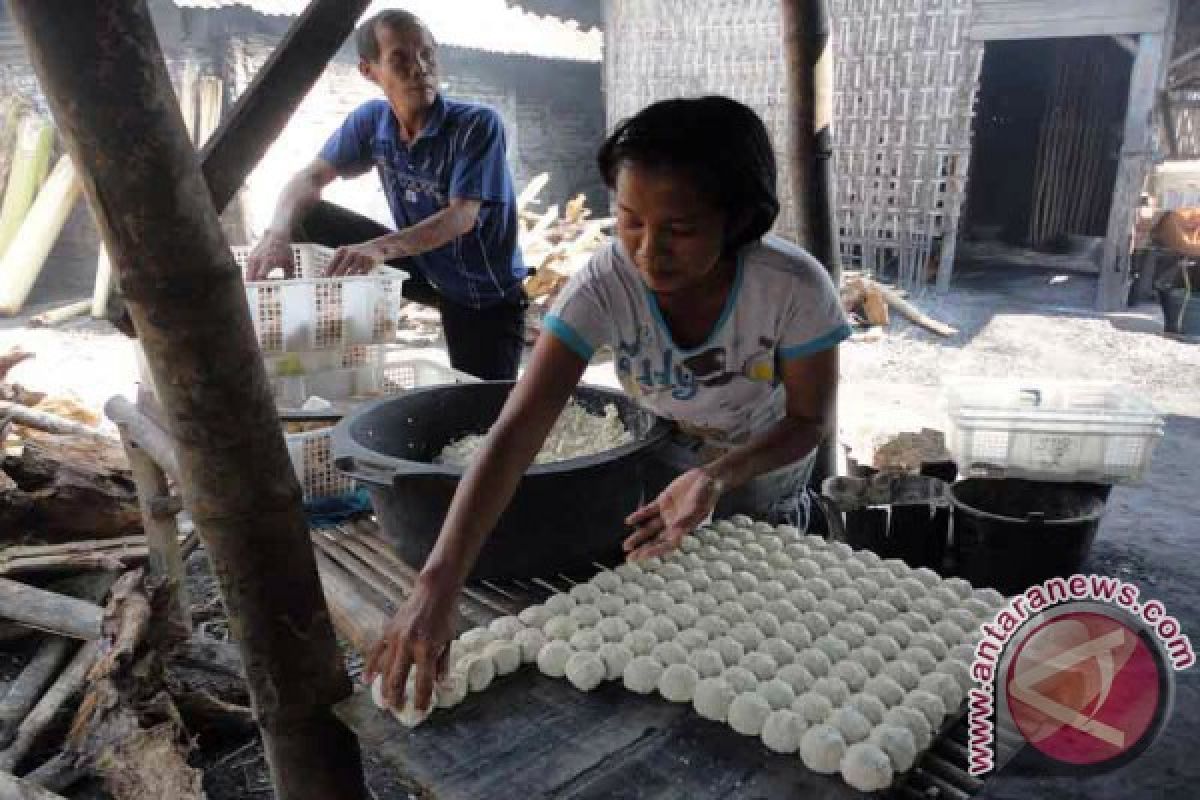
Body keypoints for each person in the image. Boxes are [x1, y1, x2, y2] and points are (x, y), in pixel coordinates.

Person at [366, 96, 852, 708]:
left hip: (760, 477)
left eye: (679, 229)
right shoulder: (605, 284)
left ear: (737, 220)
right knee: (671, 654)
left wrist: (718, 477)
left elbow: (809, 420)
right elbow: (515, 434)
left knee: (761, 656)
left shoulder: (792, 289)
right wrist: (436, 583)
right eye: (629, 221)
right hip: (661, 472)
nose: (649, 250)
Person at [245, 10, 528, 380]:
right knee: (307, 215)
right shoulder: (372, 122)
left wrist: (376, 249)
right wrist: (276, 235)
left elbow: (461, 218)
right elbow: (308, 179)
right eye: (400, 59)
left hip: (482, 296)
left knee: (480, 408)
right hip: (425, 269)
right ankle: (329, 330)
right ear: (369, 71)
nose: (420, 68)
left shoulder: (475, 125)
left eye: (427, 54)